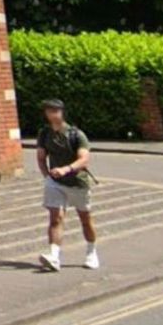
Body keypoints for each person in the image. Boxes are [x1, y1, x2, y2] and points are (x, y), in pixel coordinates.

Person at [37, 98, 98, 271]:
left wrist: (66, 169)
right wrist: (47, 177)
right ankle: (54, 257)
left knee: (85, 219)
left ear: (63, 113)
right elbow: (41, 157)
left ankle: (91, 252)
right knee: (56, 218)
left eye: (55, 111)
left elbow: (84, 159)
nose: (52, 114)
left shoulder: (76, 134)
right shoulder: (44, 134)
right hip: (55, 183)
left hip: (77, 183)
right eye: (49, 111)